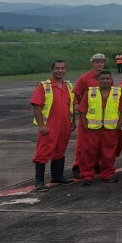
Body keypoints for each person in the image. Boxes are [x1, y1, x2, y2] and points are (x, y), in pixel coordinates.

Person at [76, 71, 122, 185]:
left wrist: (119, 124)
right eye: (102, 79)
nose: (105, 81)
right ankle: (86, 176)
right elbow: (82, 110)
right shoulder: (90, 92)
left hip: (110, 130)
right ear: (98, 80)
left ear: (111, 80)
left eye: (107, 79)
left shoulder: (117, 93)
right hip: (92, 130)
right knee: (88, 152)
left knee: (109, 154)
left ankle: (107, 174)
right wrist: (85, 125)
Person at [31, 60, 75, 191]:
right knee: (43, 151)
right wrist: (41, 125)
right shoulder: (44, 86)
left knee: (60, 151)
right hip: (50, 125)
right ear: (52, 70)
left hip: (65, 125)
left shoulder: (68, 86)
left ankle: (57, 177)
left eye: (62, 68)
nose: (60, 71)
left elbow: (71, 105)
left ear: (65, 70)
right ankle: (39, 181)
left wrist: (73, 122)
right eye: (57, 68)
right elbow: (36, 107)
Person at [71, 53, 106, 177]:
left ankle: (95, 163)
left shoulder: (106, 78)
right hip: (86, 116)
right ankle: (77, 166)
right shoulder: (84, 78)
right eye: (97, 62)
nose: (100, 64)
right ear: (92, 63)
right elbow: (76, 95)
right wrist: (81, 109)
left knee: (98, 142)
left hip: (101, 116)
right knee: (82, 143)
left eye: (102, 62)